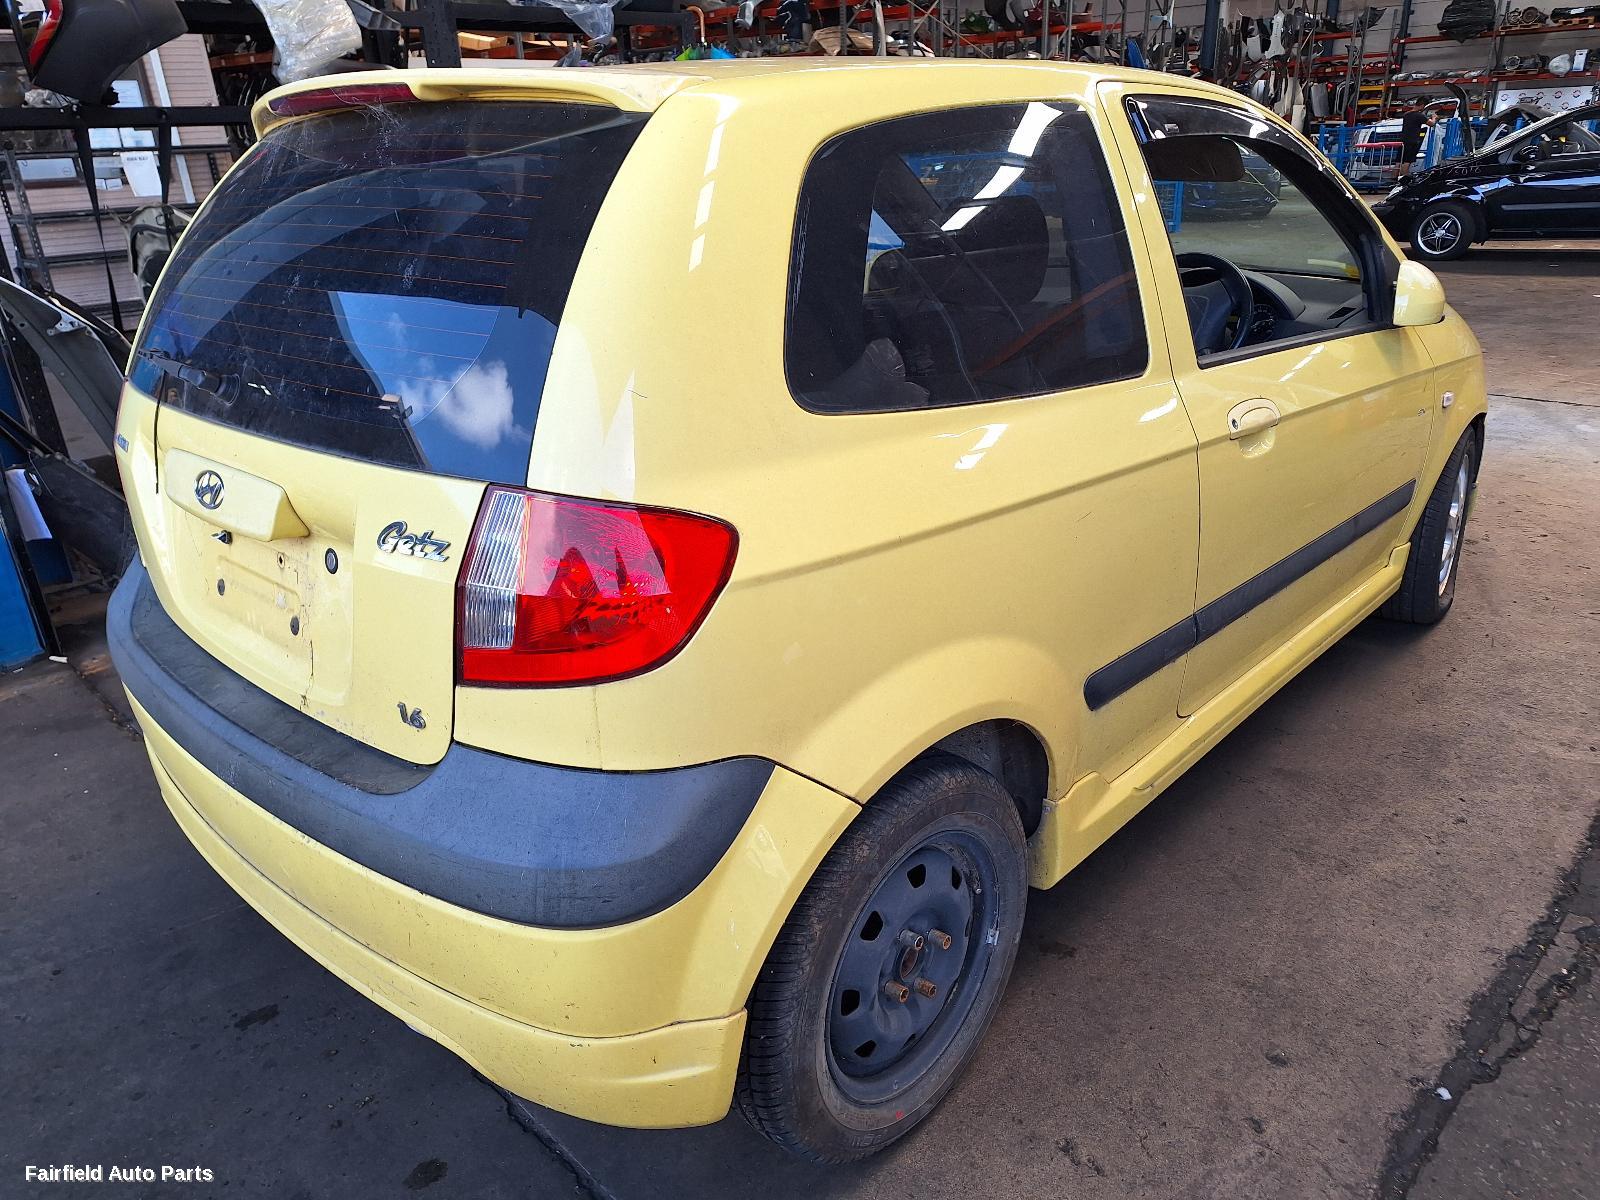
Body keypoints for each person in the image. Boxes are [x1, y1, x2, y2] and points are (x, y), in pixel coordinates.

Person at [1399, 107, 1439, 176]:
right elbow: (1431, 123)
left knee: (1399, 161)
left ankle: (1393, 179)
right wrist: (1434, 117)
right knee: (1407, 161)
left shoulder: (1406, 114)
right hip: (1412, 141)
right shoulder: (1419, 115)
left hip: (1403, 140)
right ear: (1422, 105)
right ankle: (1403, 178)